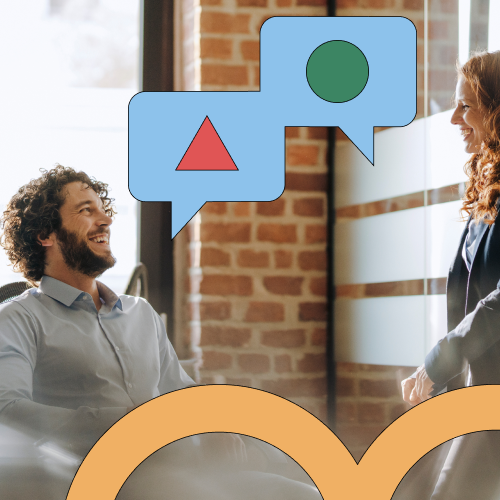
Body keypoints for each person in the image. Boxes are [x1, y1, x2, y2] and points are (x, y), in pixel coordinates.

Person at [0, 166, 320, 499]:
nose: (105, 220)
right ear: (45, 235)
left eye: (102, 209)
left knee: (308, 488)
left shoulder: (141, 313)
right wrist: (126, 424)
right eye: (86, 210)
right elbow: (7, 409)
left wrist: (211, 426)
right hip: (105, 481)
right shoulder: (18, 319)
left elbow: (179, 391)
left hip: (185, 466)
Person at [399, 50, 500, 499]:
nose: (454, 119)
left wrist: (441, 358)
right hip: (476, 397)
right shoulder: (486, 191)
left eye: (466, 106)